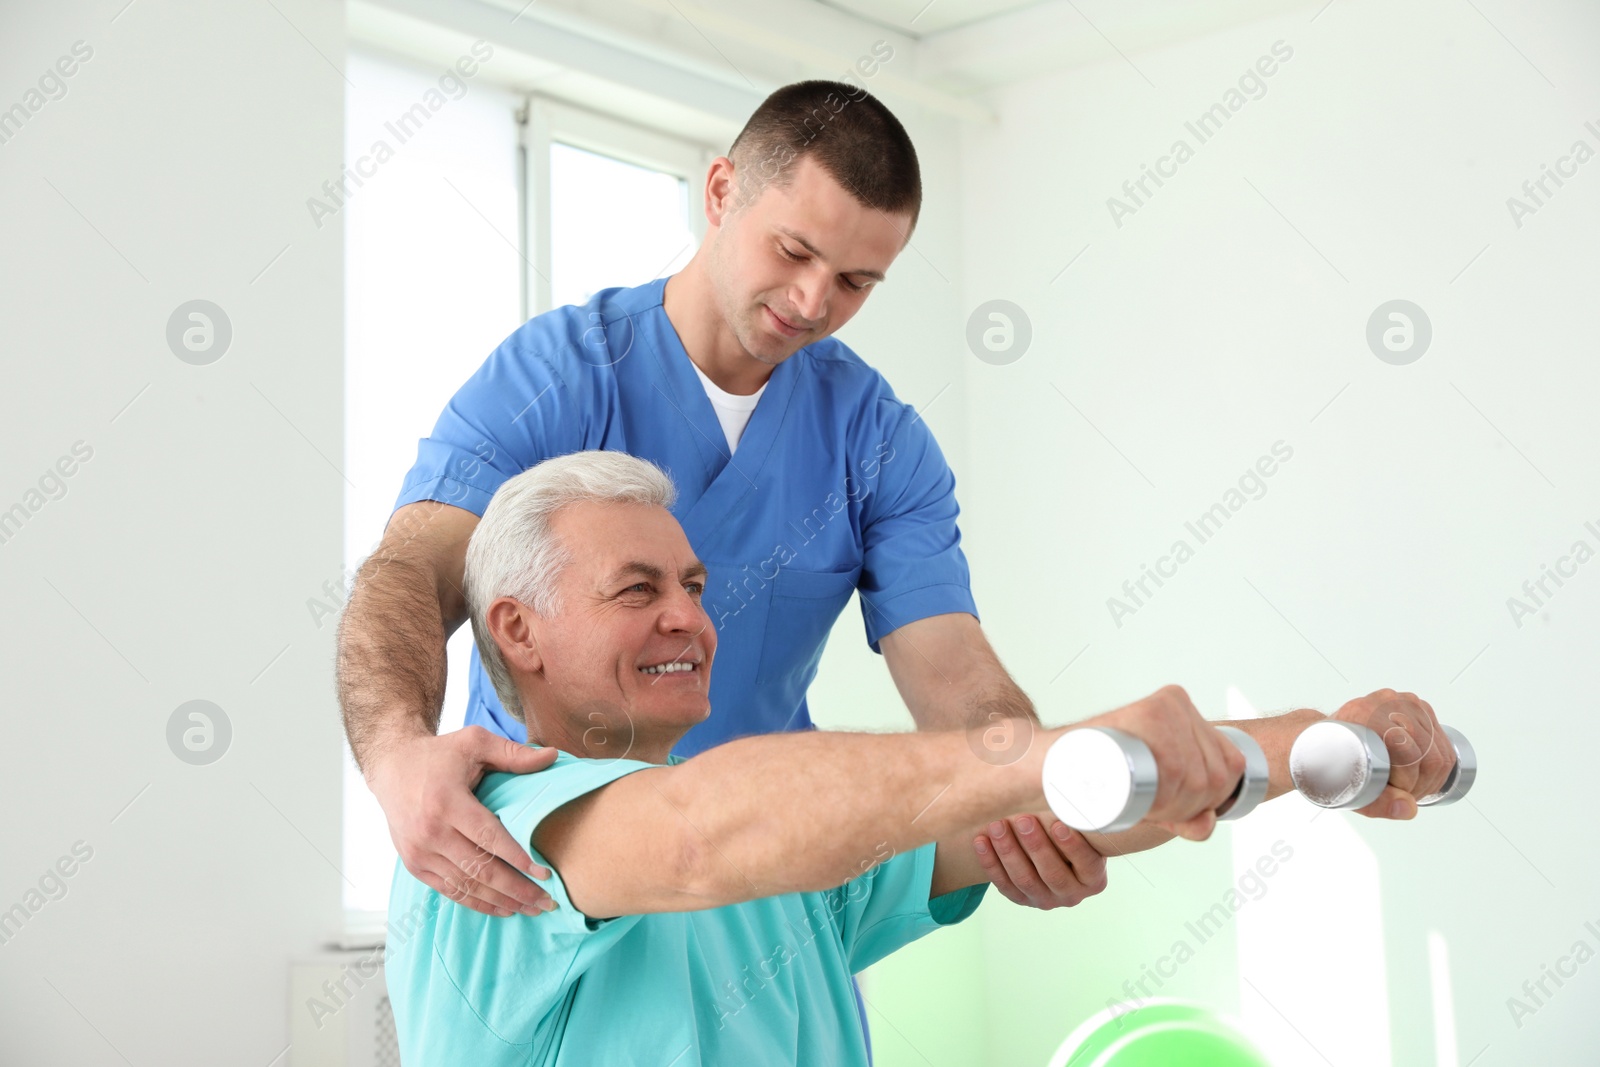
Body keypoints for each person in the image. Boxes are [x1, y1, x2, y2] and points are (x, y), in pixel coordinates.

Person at [337, 79, 1109, 1057]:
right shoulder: (553, 381)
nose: (811, 302)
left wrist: (1026, 792)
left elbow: (955, 670)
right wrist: (397, 755)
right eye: (793, 251)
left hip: (780, 873)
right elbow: (410, 571)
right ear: (718, 192)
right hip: (560, 877)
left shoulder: (876, 440)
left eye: (856, 282)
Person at [383, 450, 1454, 1065]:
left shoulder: (790, 856)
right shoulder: (485, 823)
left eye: (695, 588)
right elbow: (697, 834)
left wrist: (1320, 741)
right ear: (517, 631)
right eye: (638, 590)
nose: (689, 620)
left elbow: (1075, 806)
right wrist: (1027, 753)